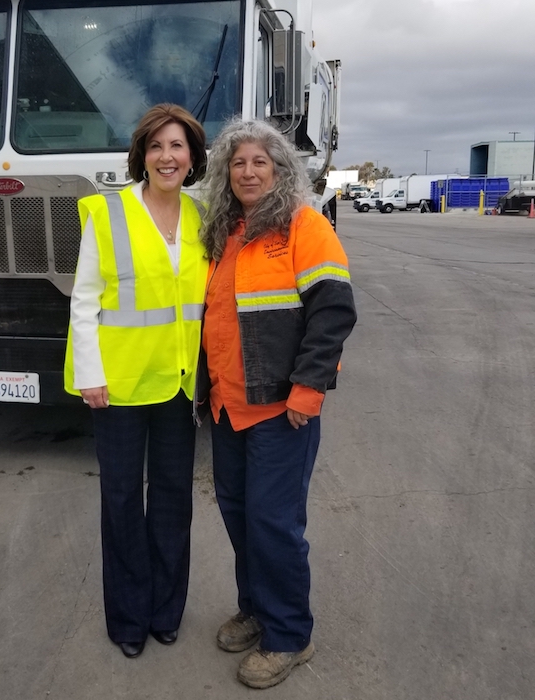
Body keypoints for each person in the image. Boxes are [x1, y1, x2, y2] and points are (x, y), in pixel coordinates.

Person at [199, 119, 356, 689]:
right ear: (226, 173)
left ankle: (290, 635)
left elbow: (333, 312)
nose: (247, 172)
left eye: (259, 162)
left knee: (273, 523)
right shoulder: (223, 232)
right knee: (241, 518)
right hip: (226, 406)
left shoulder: (303, 226)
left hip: (279, 407)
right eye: (237, 163)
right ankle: (257, 608)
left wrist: (309, 389)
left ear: (280, 169)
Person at [63, 104, 208, 659]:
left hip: (178, 383)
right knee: (122, 500)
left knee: (174, 500)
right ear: (141, 156)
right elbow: (84, 300)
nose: (167, 157)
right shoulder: (108, 213)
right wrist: (90, 374)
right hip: (119, 385)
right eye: (156, 147)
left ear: (192, 157)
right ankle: (127, 618)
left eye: (178, 147)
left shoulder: (202, 216)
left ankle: (165, 610)